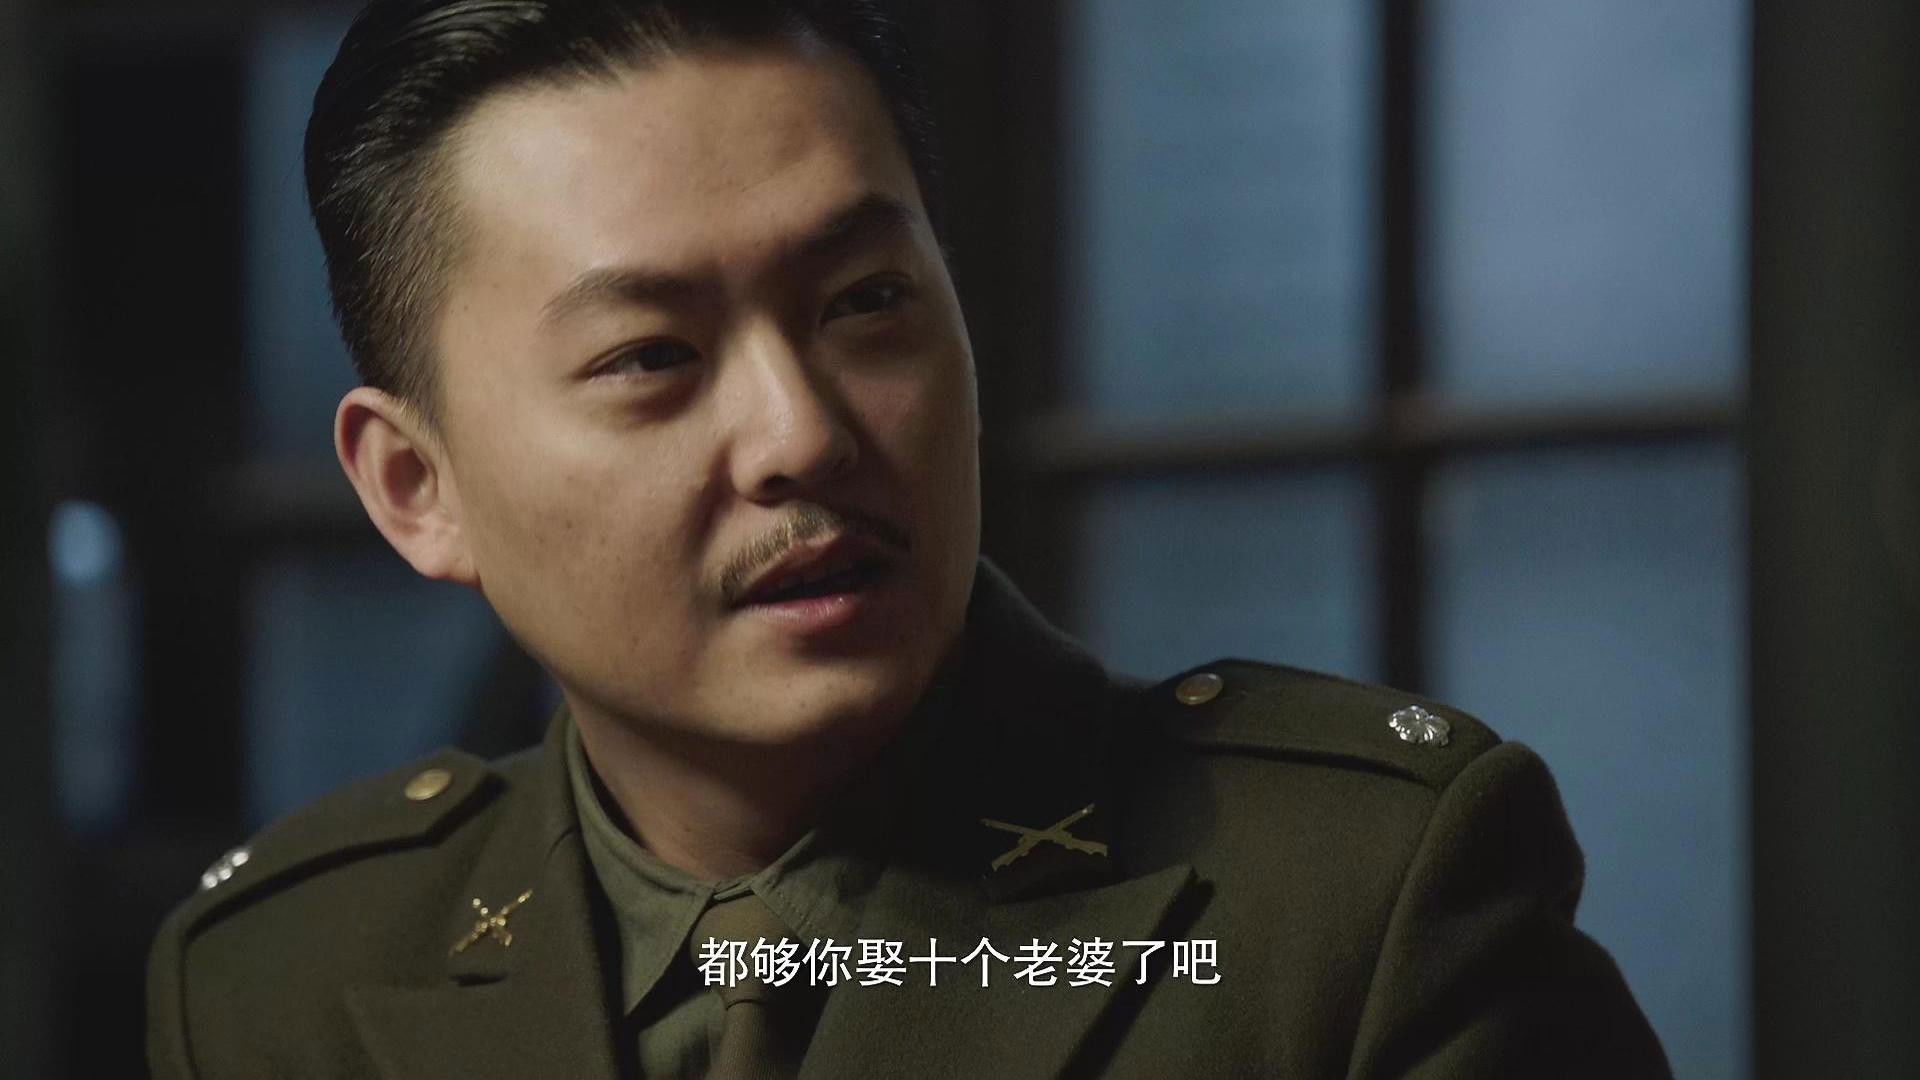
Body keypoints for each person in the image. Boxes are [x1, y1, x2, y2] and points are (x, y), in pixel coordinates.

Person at [146, 1, 1672, 1076]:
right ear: (417, 488)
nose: (801, 434)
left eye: (866, 303)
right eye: (651, 357)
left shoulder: (1355, 904)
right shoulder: (283, 982)